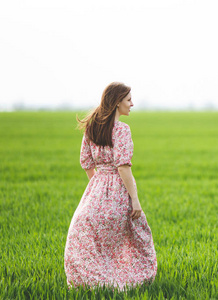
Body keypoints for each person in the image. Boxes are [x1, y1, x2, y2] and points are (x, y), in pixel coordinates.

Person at [64, 82, 157, 291]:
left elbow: (87, 163)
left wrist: (100, 189)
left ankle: (93, 283)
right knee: (135, 240)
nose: (132, 104)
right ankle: (121, 282)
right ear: (117, 103)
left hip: (95, 190)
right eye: (128, 100)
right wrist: (134, 199)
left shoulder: (91, 127)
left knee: (94, 244)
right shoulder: (122, 130)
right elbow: (123, 168)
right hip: (118, 190)